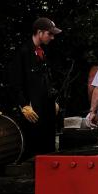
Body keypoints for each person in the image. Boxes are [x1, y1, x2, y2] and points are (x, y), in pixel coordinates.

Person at [7, 17, 62, 157]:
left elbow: (45, 79)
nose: (52, 37)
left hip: (46, 107)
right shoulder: (23, 52)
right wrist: (23, 105)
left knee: (49, 146)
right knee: (34, 148)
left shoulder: (42, 51)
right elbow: (15, 82)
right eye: (49, 34)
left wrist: (52, 100)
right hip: (33, 110)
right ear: (39, 32)